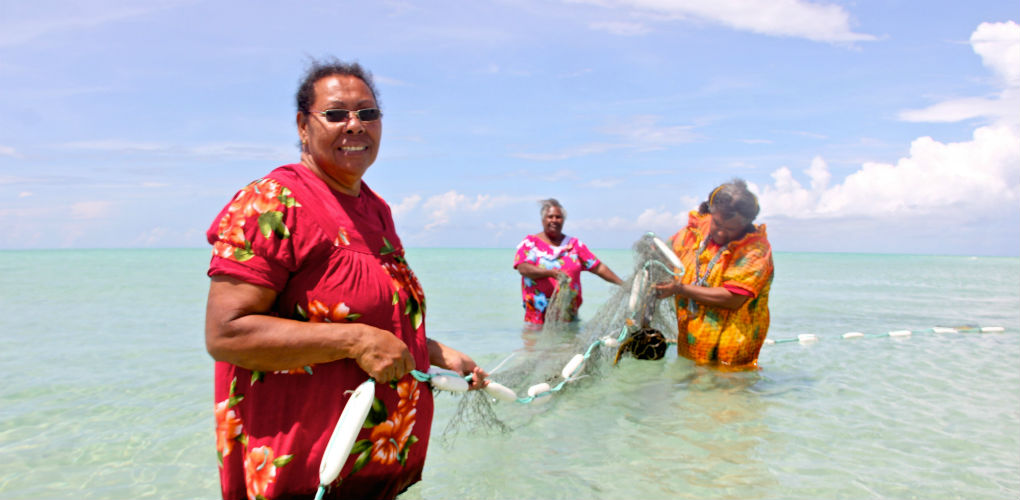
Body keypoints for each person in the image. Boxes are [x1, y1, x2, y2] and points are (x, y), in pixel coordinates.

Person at [204, 59, 486, 500]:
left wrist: (434, 352)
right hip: (304, 472)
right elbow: (227, 334)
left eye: (367, 113)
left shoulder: (375, 210)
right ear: (303, 124)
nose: (355, 126)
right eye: (336, 114)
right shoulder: (271, 202)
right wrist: (355, 342)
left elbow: (365, 319)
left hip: (372, 469)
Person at [653, 179, 774, 369]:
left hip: (732, 349)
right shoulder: (696, 229)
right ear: (711, 212)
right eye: (717, 223)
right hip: (691, 342)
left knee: (726, 395)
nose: (720, 232)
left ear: (746, 224)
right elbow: (665, 253)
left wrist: (680, 289)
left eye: (731, 229)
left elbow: (733, 298)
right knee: (692, 394)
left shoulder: (755, 250)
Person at [513, 198, 624, 325]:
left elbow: (598, 268)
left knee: (567, 344)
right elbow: (523, 268)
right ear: (543, 220)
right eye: (550, 217)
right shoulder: (531, 243)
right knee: (536, 344)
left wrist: (623, 284)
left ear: (563, 220)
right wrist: (550, 273)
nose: (554, 220)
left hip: (568, 314)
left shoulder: (575, 245)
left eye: (558, 217)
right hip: (536, 315)